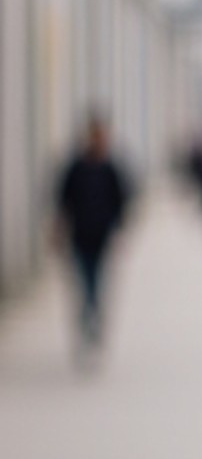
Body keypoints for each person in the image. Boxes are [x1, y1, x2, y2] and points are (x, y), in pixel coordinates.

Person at [52, 109, 132, 358]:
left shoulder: (111, 168)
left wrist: (119, 230)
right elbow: (63, 199)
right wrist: (58, 228)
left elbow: (122, 200)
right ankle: (88, 319)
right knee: (83, 281)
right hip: (79, 235)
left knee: (97, 281)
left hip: (102, 235)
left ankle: (93, 317)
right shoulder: (76, 167)